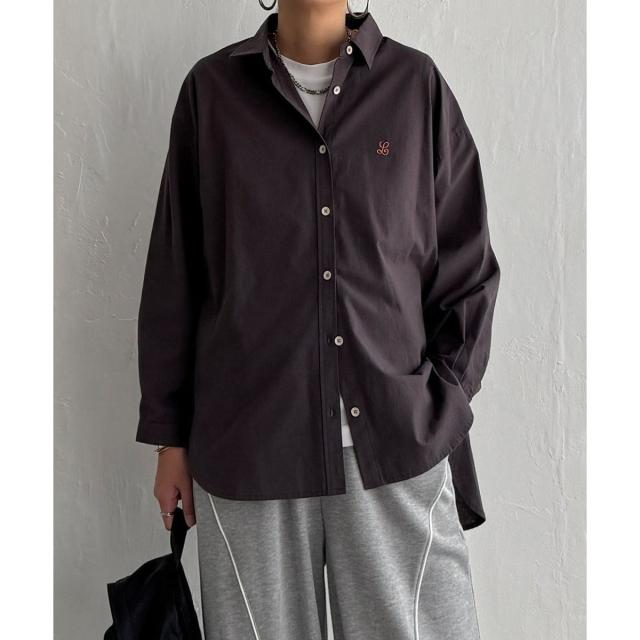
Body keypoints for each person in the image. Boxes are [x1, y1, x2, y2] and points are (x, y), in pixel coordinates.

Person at [136, 0, 500, 638]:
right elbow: (176, 274)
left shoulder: (415, 87)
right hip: (250, 450)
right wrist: (171, 438)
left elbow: (467, 267)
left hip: (396, 445)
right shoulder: (211, 94)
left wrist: (441, 400)